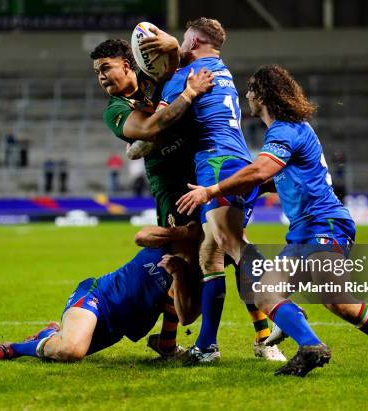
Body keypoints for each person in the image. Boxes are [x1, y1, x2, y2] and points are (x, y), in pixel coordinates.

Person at [178, 64, 368, 375]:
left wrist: (211, 191)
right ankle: (313, 346)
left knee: (332, 300)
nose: (248, 95)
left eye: (252, 89)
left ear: (264, 95)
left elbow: (261, 171)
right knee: (273, 293)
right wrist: (240, 191)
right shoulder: (292, 128)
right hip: (309, 228)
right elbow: (269, 180)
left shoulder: (284, 130)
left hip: (324, 225)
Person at [92, 36, 282, 362]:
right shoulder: (117, 109)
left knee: (233, 247)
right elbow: (151, 127)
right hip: (172, 192)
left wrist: (167, 41)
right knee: (192, 274)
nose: (101, 77)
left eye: (105, 68)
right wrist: (189, 94)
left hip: (203, 172)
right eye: (97, 73)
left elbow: (173, 51)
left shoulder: (155, 78)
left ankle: (261, 339)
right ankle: (175, 341)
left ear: (127, 64)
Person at [159, 17, 261, 364]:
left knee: (231, 244)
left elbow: (157, 124)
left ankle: (283, 306)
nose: (181, 44)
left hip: (218, 164)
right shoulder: (221, 70)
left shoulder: (189, 77)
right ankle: (209, 346)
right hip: (237, 161)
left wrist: (137, 145)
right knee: (210, 253)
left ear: (196, 40)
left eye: (186, 39)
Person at [0, 223, 202, 363]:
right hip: (98, 296)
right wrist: (182, 231)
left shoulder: (200, 272)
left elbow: (187, 316)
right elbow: (140, 236)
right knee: (71, 350)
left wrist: (179, 274)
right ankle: (12, 349)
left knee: (64, 351)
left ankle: (50, 333)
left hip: (118, 328)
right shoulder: (171, 240)